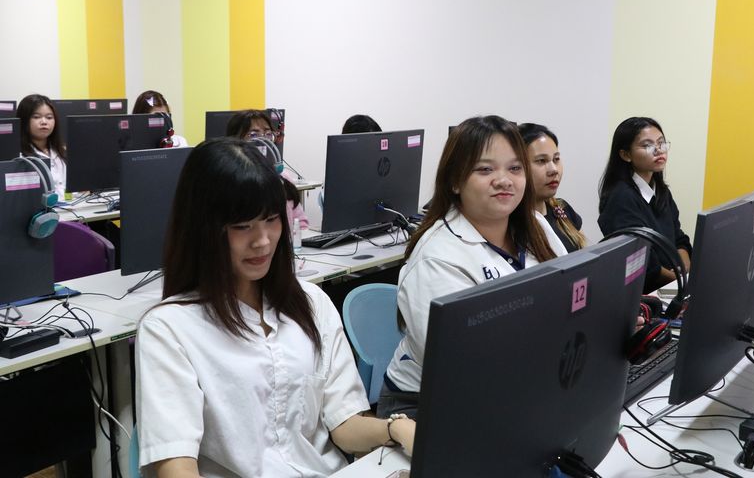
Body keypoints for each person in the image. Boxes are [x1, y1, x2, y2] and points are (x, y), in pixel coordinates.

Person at [136, 138, 415, 477]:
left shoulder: (311, 303)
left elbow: (344, 424)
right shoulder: (169, 328)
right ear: (203, 230)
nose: (263, 240)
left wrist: (397, 429)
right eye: (242, 226)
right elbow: (176, 467)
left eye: (271, 220)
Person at [378, 115, 568, 418]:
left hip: (523, 383)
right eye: (485, 169)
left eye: (515, 168)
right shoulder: (437, 258)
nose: (504, 180)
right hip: (430, 404)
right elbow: (464, 365)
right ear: (455, 180)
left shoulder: (535, 225)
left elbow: (567, 293)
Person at [597, 117, 691, 294]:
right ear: (626, 155)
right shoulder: (621, 198)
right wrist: (681, 281)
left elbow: (679, 239)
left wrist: (684, 270)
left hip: (671, 286)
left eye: (661, 143)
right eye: (647, 145)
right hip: (642, 294)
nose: (658, 150)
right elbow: (642, 264)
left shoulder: (661, 191)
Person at [226, 109, 309, 233]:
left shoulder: (283, 178)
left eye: (268, 134)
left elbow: (301, 223)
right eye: (253, 135)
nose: (263, 140)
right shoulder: (230, 181)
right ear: (235, 140)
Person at [518, 123, 587, 252]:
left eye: (556, 159)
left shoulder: (562, 208)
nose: (554, 170)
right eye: (541, 161)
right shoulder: (509, 224)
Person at [16, 94, 66, 197]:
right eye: (36, 117)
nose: (44, 122)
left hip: (72, 205)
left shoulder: (62, 151)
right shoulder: (18, 156)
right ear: (24, 120)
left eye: (49, 117)